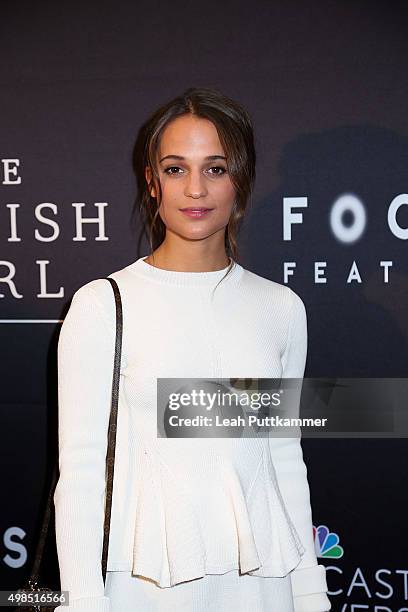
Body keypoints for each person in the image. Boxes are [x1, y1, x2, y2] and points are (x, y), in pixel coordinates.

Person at [53, 87, 331, 612]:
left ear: (240, 181)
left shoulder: (281, 308)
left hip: (262, 584)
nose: (196, 189)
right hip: (142, 585)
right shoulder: (103, 305)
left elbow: (283, 457)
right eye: (177, 169)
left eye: (217, 168)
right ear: (152, 182)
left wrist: (309, 591)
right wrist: (82, 601)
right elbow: (84, 473)